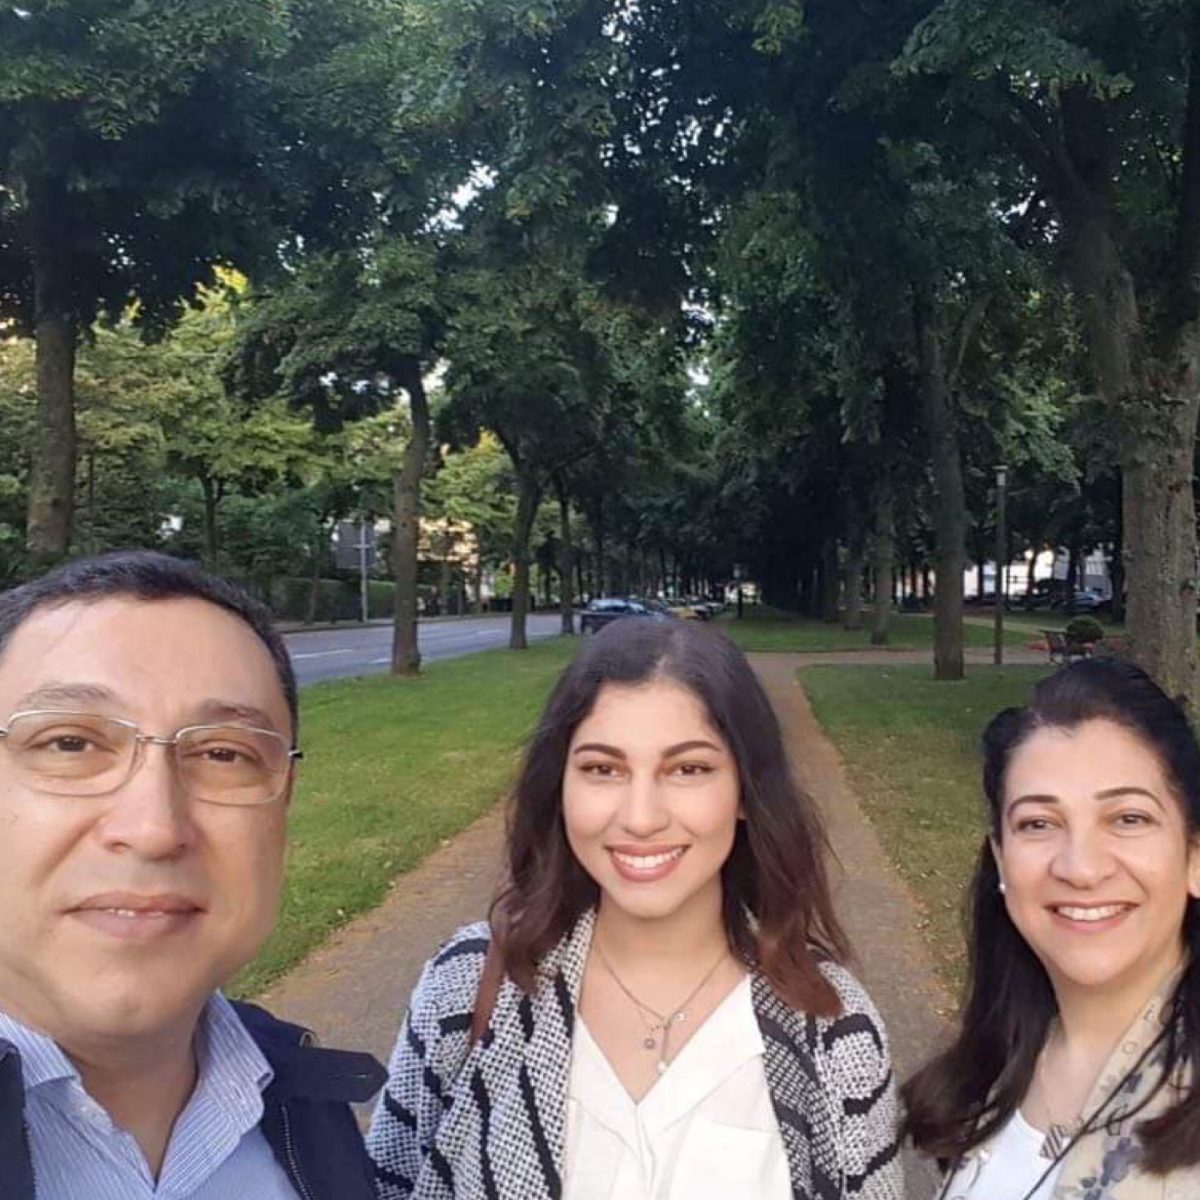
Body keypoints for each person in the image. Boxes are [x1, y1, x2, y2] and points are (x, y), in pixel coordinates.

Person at [368, 617, 902, 1199]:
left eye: (688, 769)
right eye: (603, 769)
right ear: (560, 786)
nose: (641, 817)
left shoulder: (834, 1027)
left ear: (746, 792)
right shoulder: (468, 988)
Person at [0, 550, 384, 1199]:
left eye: (223, 754)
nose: (154, 828)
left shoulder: (308, 1106)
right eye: (71, 744)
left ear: (283, 808)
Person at [904, 658, 1200, 1200]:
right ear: (1000, 856)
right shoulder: (989, 1073)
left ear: (1194, 855)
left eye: (1128, 818)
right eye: (1038, 824)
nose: (1081, 868)